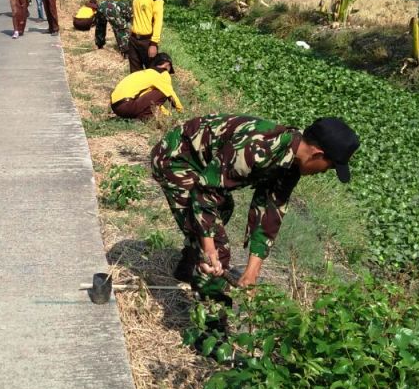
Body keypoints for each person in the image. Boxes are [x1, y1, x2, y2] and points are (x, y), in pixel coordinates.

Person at [151, 114, 359, 298]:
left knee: (223, 209)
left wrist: (251, 273)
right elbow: (204, 194)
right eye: (329, 166)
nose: (324, 172)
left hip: (203, 170)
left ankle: (189, 265)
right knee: (217, 246)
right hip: (176, 160)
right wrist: (209, 249)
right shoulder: (259, 148)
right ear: (317, 154)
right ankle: (211, 330)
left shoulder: (291, 163)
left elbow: (270, 212)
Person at [110, 53, 183, 121]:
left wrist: (167, 114)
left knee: (160, 93)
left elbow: (148, 100)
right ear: (167, 65)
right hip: (128, 106)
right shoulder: (162, 73)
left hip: (116, 108)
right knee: (164, 93)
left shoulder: (146, 73)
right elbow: (171, 95)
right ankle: (144, 117)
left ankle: (146, 117)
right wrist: (181, 112)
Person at [127, 0, 163, 72]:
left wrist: (154, 44)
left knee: (151, 73)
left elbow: (158, 22)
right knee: (135, 74)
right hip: (133, 40)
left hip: (147, 42)